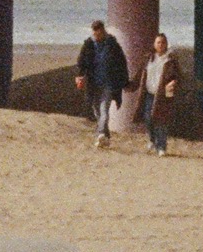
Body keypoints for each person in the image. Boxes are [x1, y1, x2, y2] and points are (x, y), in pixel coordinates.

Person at [74, 19, 128, 150]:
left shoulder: (112, 45)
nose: (96, 37)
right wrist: (80, 76)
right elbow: (82, 62)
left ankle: (101, 134)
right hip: (93, 84)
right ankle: (106, 137)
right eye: (94, 34)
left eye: (98, 34)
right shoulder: (89, 44)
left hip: (109, 84)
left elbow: (122, 63)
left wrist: (124, 81)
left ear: (103, 31)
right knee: (96, 111)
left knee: (104, 110)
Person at [139, 32, 179, 156]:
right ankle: (152, 139)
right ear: (154, 44)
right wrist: (129, 85)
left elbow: (178, 76)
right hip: (149, 93)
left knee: (161, 121)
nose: (160, 44)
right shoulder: (149, 58)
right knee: (148, 118)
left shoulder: (170, 60)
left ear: (166, 44)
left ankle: (161, 147)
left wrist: (173, 82)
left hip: (162, 95)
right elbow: (140, 74)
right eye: (158, 42)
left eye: (163, 42)